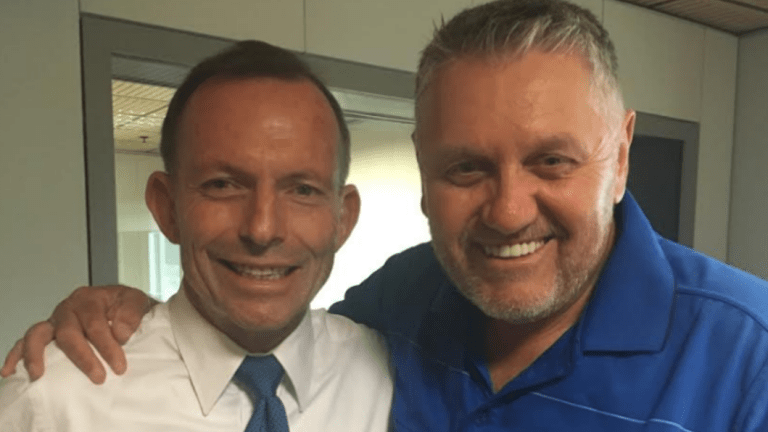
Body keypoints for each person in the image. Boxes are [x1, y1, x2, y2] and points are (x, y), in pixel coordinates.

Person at [5, 0, 768, 430]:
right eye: (466, 167)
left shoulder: (748, 358)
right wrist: (124, 312)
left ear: (622, 151)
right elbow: (263, 312)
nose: (506, 211)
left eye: (552, 161)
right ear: (423, 170)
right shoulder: (400, 310)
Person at [0, 40, 394, 431]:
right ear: (166, 207)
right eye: (223, 185)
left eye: (303, 190)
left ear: (343, 218)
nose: (262, 229)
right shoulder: (52, 401)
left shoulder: (389, 374)